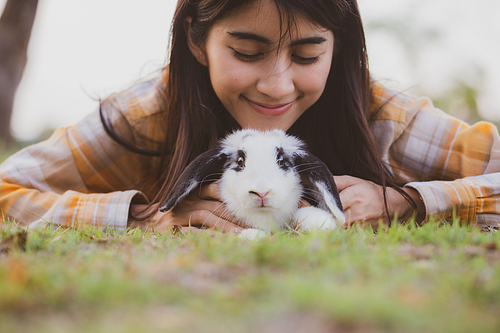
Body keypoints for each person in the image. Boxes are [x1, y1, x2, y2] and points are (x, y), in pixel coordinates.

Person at [0, 0, 499, 233]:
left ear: (338, 50)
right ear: (198, 42)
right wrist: (143, 218)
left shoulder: (381, 113)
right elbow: (7, 190)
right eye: (246, 51)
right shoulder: (148, 114)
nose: (278, 86)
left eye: (307, 57)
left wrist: (409, 201)